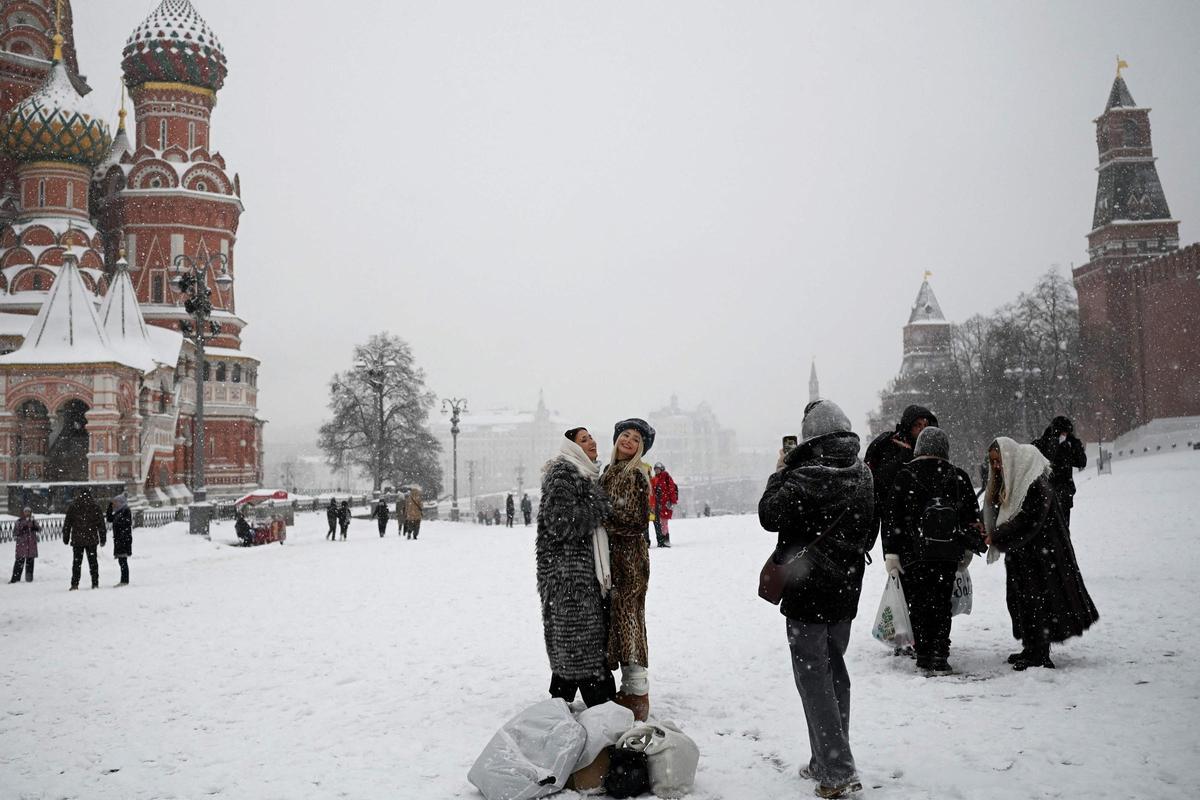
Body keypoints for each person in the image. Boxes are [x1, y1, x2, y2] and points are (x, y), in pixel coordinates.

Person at [758, 400, 874, 799]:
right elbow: (869, 529)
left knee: (813, 680)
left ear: (811, 436)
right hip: (845, 591)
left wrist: (779, 472)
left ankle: (837, 770)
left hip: (807, 592)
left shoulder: (802, 476)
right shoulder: (864, 474)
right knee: (834, 672)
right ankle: (825, 759)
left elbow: (768, 515)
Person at [984, 437, 1099, 670]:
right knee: (1023, 601)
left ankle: (1039, 654)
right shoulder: (1016, 482)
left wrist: (997, 535)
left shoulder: (1036, 484)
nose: (996, 466)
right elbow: (1004, 512)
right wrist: (986, 528)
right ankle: (1031, 648)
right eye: (993, 462)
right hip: (1025, 554)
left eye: (999, 461)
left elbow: (1028, 519)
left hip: (1044, 558)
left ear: (1010, 459)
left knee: (1039, 603)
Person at [883, 427, 984, 674]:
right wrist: (966, 548)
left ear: (918, 448)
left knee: (917, 603)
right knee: (941, 603)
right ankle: (940, 653)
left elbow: (892, 518)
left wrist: (892, 553)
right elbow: (971, 516)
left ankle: (924, 653)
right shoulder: (958, 476)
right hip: (947, 553)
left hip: (913, 553)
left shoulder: (904, 476)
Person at [537, 427, 616, 708]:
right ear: (572, 447)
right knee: (582, 639)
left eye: (591, 437)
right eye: (584, 440)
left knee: (574, 640)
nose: (592, 441)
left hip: (575, 573)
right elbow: (561, 520)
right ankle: (601, 701)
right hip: (568, 575)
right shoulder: (564, 473)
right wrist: (601, 507)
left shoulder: (582, 472)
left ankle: (561, 699)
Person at [602, 418, 655, 721]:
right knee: (618, 619)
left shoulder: (635, 474)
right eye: (625, 435)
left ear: (640, 448)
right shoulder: (610, 471)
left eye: (635, 439)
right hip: (613, 559)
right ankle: (629, 687)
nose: (628, 440)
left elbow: (636, 521)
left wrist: (600, 520)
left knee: (629, 618)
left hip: (630, 560)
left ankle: (637, 692)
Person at [865, 405, 938, 537]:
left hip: (927, 518)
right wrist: (904, 457)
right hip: (895, 519)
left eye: (926, 425)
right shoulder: (891, 446)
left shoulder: (933, 448)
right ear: (908, 426)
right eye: (918, 425)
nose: (923, 429)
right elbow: (880, 480)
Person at [1031, 416, 1088, 528]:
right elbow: (1044, 457)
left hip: (1063, 495)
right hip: (1047, 495)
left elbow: (1081, 462)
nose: (1065, 436)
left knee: (1062, 529)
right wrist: (1055, 444)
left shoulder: (1068, 445)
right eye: (1064, 433)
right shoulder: (1043, 444)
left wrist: (1074, 444)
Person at [63, 488, 106, 590]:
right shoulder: (95, 506)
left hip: (77, 539)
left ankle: (75, 583)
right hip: (91, 539)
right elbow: (101, 524)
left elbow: (67, 523)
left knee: (77, 563)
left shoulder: (74, 506)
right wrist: (102, 538)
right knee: (93, 562)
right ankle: (95, 583)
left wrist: (66, 537)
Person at [106, 493, 133, 587]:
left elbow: (125, 524)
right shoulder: (119, 511)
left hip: (123, 540)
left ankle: (125, 581)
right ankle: (124, 580)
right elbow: (109, 519)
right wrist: (110, 506)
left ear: (121, 502)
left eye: (116, 502)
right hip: (120, 540)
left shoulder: (126, 511)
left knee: (123, 560)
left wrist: (121, 537)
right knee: (121, 560)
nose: (115, 504)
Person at [650, 462, 679, 548]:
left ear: (662, 469)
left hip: (666, 503)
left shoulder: (666, 477)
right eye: (655, 469)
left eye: (658, 469)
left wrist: (672, 501)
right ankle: (663, 540)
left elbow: (671, 490)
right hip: (659, 504)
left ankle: (666, 540)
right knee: (661, 522)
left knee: (664, 522)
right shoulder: (655, 478)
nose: (656, 470)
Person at [10, 507, 40, 583]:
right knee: (19, 563)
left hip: (31, 546)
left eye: (28, 512)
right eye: (25, 511)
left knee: (30, 563)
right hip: (21, 546)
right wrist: (23, 529)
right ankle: (15, 579)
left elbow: (40, 529)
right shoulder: (19, 521)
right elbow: (15, 533)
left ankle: (29, 579)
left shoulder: (33, 521)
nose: (27, 513)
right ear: (23, 513)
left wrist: (35, 527)